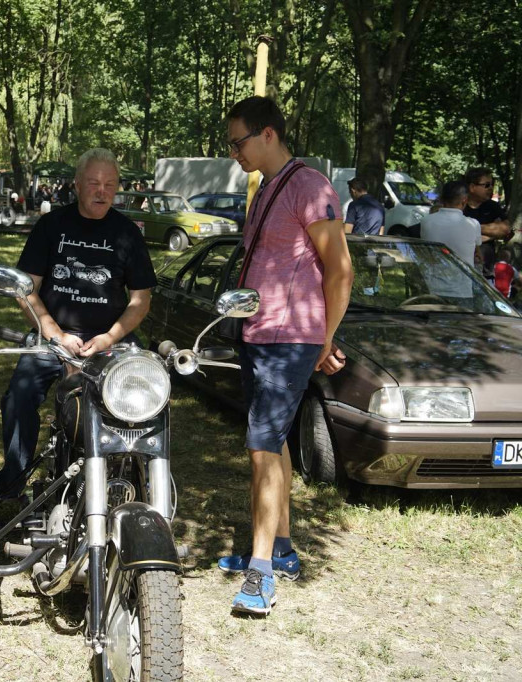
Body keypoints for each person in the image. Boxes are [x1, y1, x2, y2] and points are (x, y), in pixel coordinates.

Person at [216, 96, 352, 617]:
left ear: (267, 134)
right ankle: (283, 549)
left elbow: (339, 270)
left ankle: (261, 574)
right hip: (257, 335)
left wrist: (324, 339)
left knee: (261, 449)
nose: (234, 152)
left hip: (288, 341)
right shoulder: (265, 189)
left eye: (238, 141)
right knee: (272, 442)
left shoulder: (310, 186)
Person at [0, 148, 157, 506]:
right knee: (19, 395)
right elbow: (25, 288)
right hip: (52, 337)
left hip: (111, 342)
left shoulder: (127, 234)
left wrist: (110, 337)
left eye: (109, 184)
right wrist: (53, 332)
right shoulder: (51, 226)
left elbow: (141, 300)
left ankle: (138, 482)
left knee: (146, 400)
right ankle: (12, 481)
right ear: (77, 185)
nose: (101, 191)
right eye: (93, 183)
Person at [420, 180, 481, 270]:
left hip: (432, 281)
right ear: (465, 200)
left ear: (441, 199)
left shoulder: (426, 221)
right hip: (463, 281)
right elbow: (478, 248)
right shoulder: (473, 224)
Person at [463, 167, 511, 275]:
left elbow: (505, 230)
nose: (491, 188)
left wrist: (469, 228)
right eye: (487, 185)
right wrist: (491, 233)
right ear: (472, 187)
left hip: (486, 270)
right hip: (462, 266)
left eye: (492, 184)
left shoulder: (493, 206)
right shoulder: (460, 205)